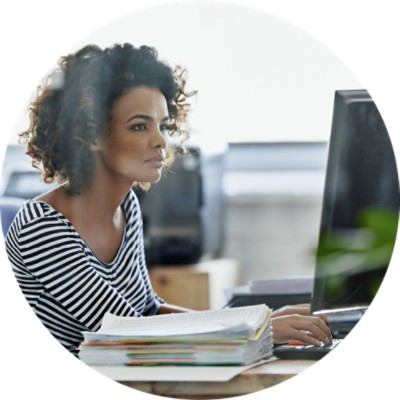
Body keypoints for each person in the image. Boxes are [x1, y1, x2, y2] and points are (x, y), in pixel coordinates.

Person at [5, 43, 331, 357]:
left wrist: (258, 322)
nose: (161, 140)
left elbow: (148, 308)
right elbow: (127, 331)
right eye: (139, 126)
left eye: (162, 125)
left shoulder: (126, 207)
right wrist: (258, 328)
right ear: (89, 135)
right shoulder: (41, 227)